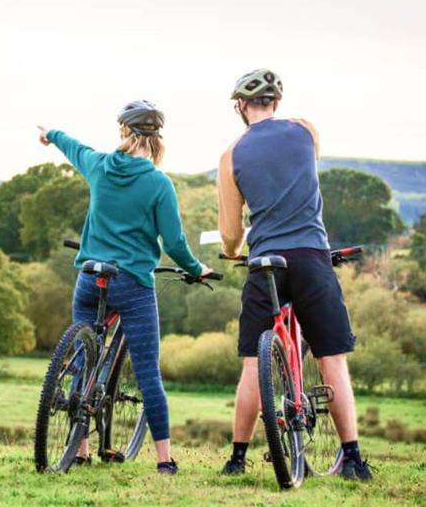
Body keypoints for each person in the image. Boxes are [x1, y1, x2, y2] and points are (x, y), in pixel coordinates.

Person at [37, 100, 213, 475]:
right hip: (132, 284)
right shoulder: (158, 183)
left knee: (83, 357)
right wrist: (197, 270)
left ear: (123, 133)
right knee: (148, 372)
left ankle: (79, 449)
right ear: (157, 139)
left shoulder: (99, 166)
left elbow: (73, 145)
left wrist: (49, 134)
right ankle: (165, 460)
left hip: (89, 277)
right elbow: (175, 244)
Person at [216, 69, 373, 480]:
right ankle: (353, 458)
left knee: (254, 361)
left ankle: (236, 459)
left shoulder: (231, 155)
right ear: (276, 102)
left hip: (266, 260)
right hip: (310, 256)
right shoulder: (306, 131)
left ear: (240, 107)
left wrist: (233, 252)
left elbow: (232, 234)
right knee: (331, 357)